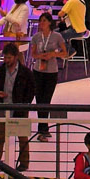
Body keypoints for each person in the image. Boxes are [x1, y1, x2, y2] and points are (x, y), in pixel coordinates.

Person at [0, 42, 35, 170]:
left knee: (22, 137)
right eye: (5, 57)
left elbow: (31, 91)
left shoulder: (26, 72)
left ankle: (24, 163)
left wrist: (24, 105)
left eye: (9, 58)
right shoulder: (1, 70)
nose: (6, 60)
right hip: (2, 108)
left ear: (16, 57)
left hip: (19, 110)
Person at [28, 13, 66, 141]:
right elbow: (33, 54)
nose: (41, 23)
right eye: (40, 21)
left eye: (44, 20)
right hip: (38, 70)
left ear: (50, 22)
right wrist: (41, 56)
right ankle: (43, 129)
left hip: (51, 72)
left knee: (46, 99)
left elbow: (65, 53)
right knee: (39, 99)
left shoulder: (57, 36)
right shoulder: (36, 37)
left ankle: (43, 128)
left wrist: (52, 54)